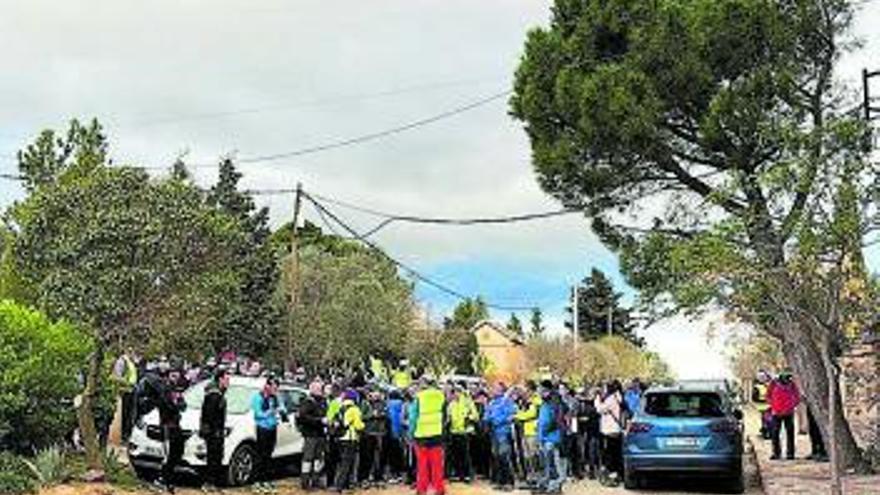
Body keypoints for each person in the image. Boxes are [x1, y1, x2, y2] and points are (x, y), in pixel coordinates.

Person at [410, 376, 447, 495]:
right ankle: (439, 489)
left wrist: (411, 433)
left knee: (422, 465)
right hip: (436, 434)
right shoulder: (441, 396)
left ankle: (422, 490)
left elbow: (413, 418)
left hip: (421, 435)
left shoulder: (419, 397)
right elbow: (445, 415)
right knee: (437, 465)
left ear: (424, 384)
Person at [251, 375, 287, 491]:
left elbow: (282, 408)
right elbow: (258, 414)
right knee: (260, 455)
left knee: (268, 455)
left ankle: (265, 480)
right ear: (267, 386)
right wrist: (270, 412)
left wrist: (282, 411)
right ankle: (256, 481)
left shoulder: (275, 397)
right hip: (262, 428)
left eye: (277, 388)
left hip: (272, 427)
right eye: (274, 387)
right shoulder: (258, 397)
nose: (275, 390)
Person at [157, 363, 187, 493]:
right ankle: (163, 479)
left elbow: (183, 406)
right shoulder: (164, 389)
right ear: (169, 375)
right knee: (168, 454)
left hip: (176, 424)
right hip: (167, 425)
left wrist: (178, 402)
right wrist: (177, 404)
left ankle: (168, 478)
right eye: (173, 374)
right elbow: (168, 406)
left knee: (178, 452)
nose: (175, 377)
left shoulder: (177, 389)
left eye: (177, 375)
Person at [199, 367, 230, 491]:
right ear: (220, 379)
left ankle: (213, 483)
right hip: (213, 433)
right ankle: (208, 483)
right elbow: (209, 415)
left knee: (217, 458)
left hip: (217, 431)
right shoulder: (214, 395)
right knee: (213, 458)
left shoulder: (219, 393)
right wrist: (213, 431)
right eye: (226, 379)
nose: (228, 382)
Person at [483, 383, 518, 491]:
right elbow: (487, 414)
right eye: (493, 388)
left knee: (504, 457)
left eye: (496, 389)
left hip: (503, 433)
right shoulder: (492, 402)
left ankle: (509, 482)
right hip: (493, 433)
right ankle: (500, 481)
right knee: (496, 457)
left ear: (502, 390)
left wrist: (498, 421)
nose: (493, 390)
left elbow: (511, 415)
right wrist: (486, 420)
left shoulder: (507, 401)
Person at [297, 380, 328, 491]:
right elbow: (303, 417)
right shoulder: (308, 402)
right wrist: (320, 421)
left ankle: (316, 480)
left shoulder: (323, 401)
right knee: (308, 458)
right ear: (313, 389)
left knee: (318, 458)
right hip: (310, 434)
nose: (322, 391)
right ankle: (305, 483)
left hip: (320, 434)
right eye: (319, 389)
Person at [534, 382, 564, 494]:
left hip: (550, 438)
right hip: (549, 437)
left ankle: (554, 487)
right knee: (550, 463)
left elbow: (547, 422)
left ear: (547, 390)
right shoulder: (550, 402)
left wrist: (541, 435)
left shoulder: (552, 403)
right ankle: (551, 486)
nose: (539, 392)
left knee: (552, 464)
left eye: (541, 390)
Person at [595, 380, 624, 486]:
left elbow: (599, 409)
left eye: (605, 387)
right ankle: (618, 476)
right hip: (616, 429)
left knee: (611, 455)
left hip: (610, 430)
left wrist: (597, 398)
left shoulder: (612, 399)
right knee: (616, 455)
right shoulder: (618, 397)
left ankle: (614, 477)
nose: (604, 390)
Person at [447, 386, 479, 482]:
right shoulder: (451, 404)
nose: (456, 394)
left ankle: (468, 475)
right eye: (454, 392)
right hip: (454, 432)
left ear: (461, 392)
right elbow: (449, 417)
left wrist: (468, 418)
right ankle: (458, 474)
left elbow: (475, 415)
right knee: (456, 454)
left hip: (465, 432)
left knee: (466, 455)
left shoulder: (467, 402)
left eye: (458, 392)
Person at [335, 390, 365, 492]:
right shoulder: (355, 409)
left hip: (340, 437)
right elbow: (358, 426)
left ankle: (344, 485)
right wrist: (363, 425)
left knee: (342, 462)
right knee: (347, 463)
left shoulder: (340, 408)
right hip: (350, 438)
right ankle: (341, 486)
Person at [767, 371, 800, 460]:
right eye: (786, 378)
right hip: (776, 413)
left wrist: (792, 405)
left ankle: (790, 453)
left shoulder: (792, 384)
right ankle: (776, 453)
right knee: (775, 433)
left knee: (790, 433)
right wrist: (773, 405)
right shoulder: (773, 383)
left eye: (789, 378)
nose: (788, 380)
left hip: (789, 412)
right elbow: (768, 395)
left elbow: (797, 396)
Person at [514, 382, 542, 485]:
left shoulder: (537, 400)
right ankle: (530, 476)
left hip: (533, 432)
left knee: (534, 455)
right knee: (527, 456)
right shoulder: (526, 401)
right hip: (526, 431)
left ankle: (538, 477)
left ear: (530, 389)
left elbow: (532, 414)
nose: (524, 391)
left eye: (525, 389)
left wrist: (517, 416)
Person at [362, 390, 388, 486]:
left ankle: (379, 478)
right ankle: (365, 478)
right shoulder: (365, 403)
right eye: (374, 393)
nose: (376, 395)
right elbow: (361, 416)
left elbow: (386, 414)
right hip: (369, 433)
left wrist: (380, 414)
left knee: (379, 457)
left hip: (380, 433)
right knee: (368, 457)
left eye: (378, 394)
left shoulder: (383, 403)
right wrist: (371, 415)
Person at [576, 387, 601, 480]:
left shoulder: (592, 406)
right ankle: (583, 471)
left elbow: (595, 418)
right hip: (581, 432)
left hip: (592, 433)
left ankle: (592, 472)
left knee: (592, 453)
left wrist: (586, 420)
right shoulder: (579, 406)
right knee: (583, 452)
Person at [386, 389, 407, 483]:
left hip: (390, 432)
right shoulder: (402, 404)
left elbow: (391, 418)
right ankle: (401, 474)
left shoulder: (388, 404)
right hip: (401, 432)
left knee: (392, 455)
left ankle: (394, 474)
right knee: (401, 454)